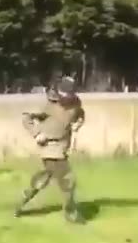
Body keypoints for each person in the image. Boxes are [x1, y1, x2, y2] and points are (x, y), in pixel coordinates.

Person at [14, 82, 86, 222]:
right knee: (68, 179)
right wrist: (36, 134)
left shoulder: (76, 102)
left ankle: (20, 202)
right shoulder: (48, 104)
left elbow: (80, 114)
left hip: (63, 146)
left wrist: (78, 124)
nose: (68, 98)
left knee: (42, 179)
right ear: (59, 92)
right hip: (49, 146)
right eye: (65, 95)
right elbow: (26, 117)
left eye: (70, 95)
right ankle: (71, 214)